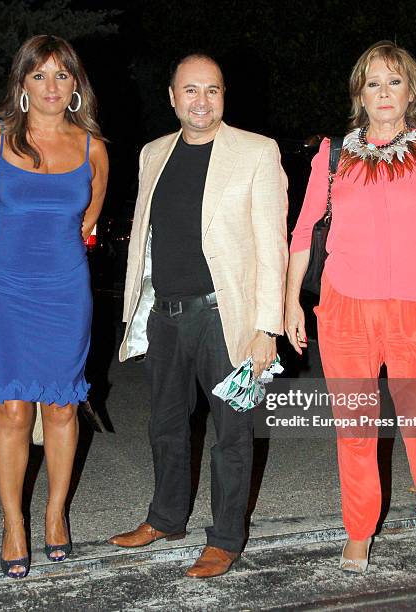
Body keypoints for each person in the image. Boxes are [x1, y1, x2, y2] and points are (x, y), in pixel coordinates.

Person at [285, 41, 416, 574]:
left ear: (411, 90)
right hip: (344, 310)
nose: (383, 92)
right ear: (359, 93)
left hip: (412, 310)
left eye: (394, 81)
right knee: (355, 429)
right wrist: (292, 299)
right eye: (373, 83)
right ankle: (358, 531)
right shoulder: (333, 153)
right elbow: (304, 228)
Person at [108, 53, 288, 578]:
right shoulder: (152, 153)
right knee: (165, 425)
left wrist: (266, 328)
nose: (201, 101)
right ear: (171, 96)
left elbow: (272, 247)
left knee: (233, 431)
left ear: (224, 94)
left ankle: (226, 536)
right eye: (190, 90)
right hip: (165, 316)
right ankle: (166, 517)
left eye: (211, 90)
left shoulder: (257, 152)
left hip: (226, 320)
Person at [0, 35, 108, 578]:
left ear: (76, 85)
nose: (52, 86)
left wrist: (52, 265)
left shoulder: (93, 147)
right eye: (40, 75)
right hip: (3, 289)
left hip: (65, 289)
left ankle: (54, 516)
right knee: (13, 407)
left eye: (62, 76)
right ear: (22, 83)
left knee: (64, 405)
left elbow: (87, 221)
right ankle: (13, 522)